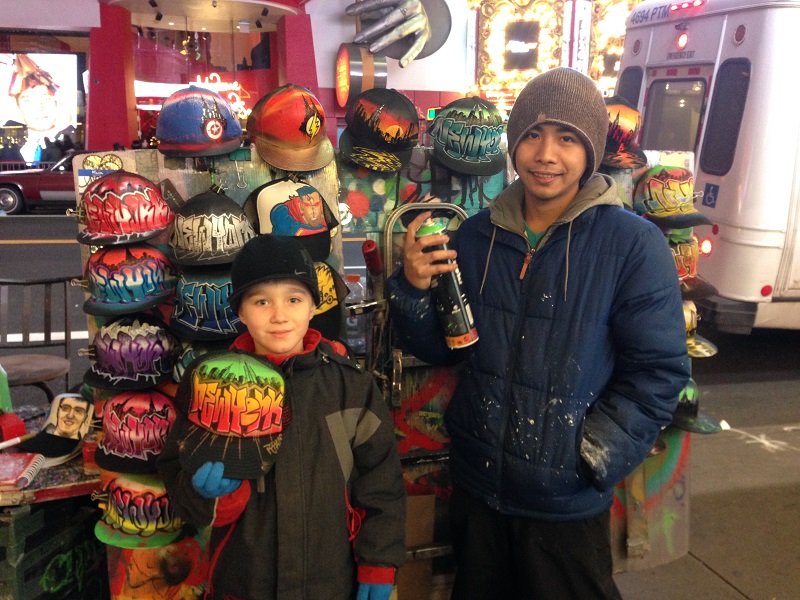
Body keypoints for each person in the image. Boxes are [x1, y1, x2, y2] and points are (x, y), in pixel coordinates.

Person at [386, 67, 690, 599]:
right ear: (514, 144)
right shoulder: (478, 235)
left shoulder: (633, 246)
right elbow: (443, 348)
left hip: (565, 508)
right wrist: (413, 288)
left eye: (567, 138)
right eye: (532, 134)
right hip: (479, 491)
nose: (546, 154)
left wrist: (591, 456)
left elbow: (659, 373)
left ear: (590, 150)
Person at [158, 234, 406, 600]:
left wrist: (379, 563)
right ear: (241, 311)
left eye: (294, 299)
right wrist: (206, 494)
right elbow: (175, 474)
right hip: (244, 582)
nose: (279, 315)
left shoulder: (351, 387)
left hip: (332, 582)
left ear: (312, 307)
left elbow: (381, 482)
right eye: (261, 301)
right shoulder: (210, 386)